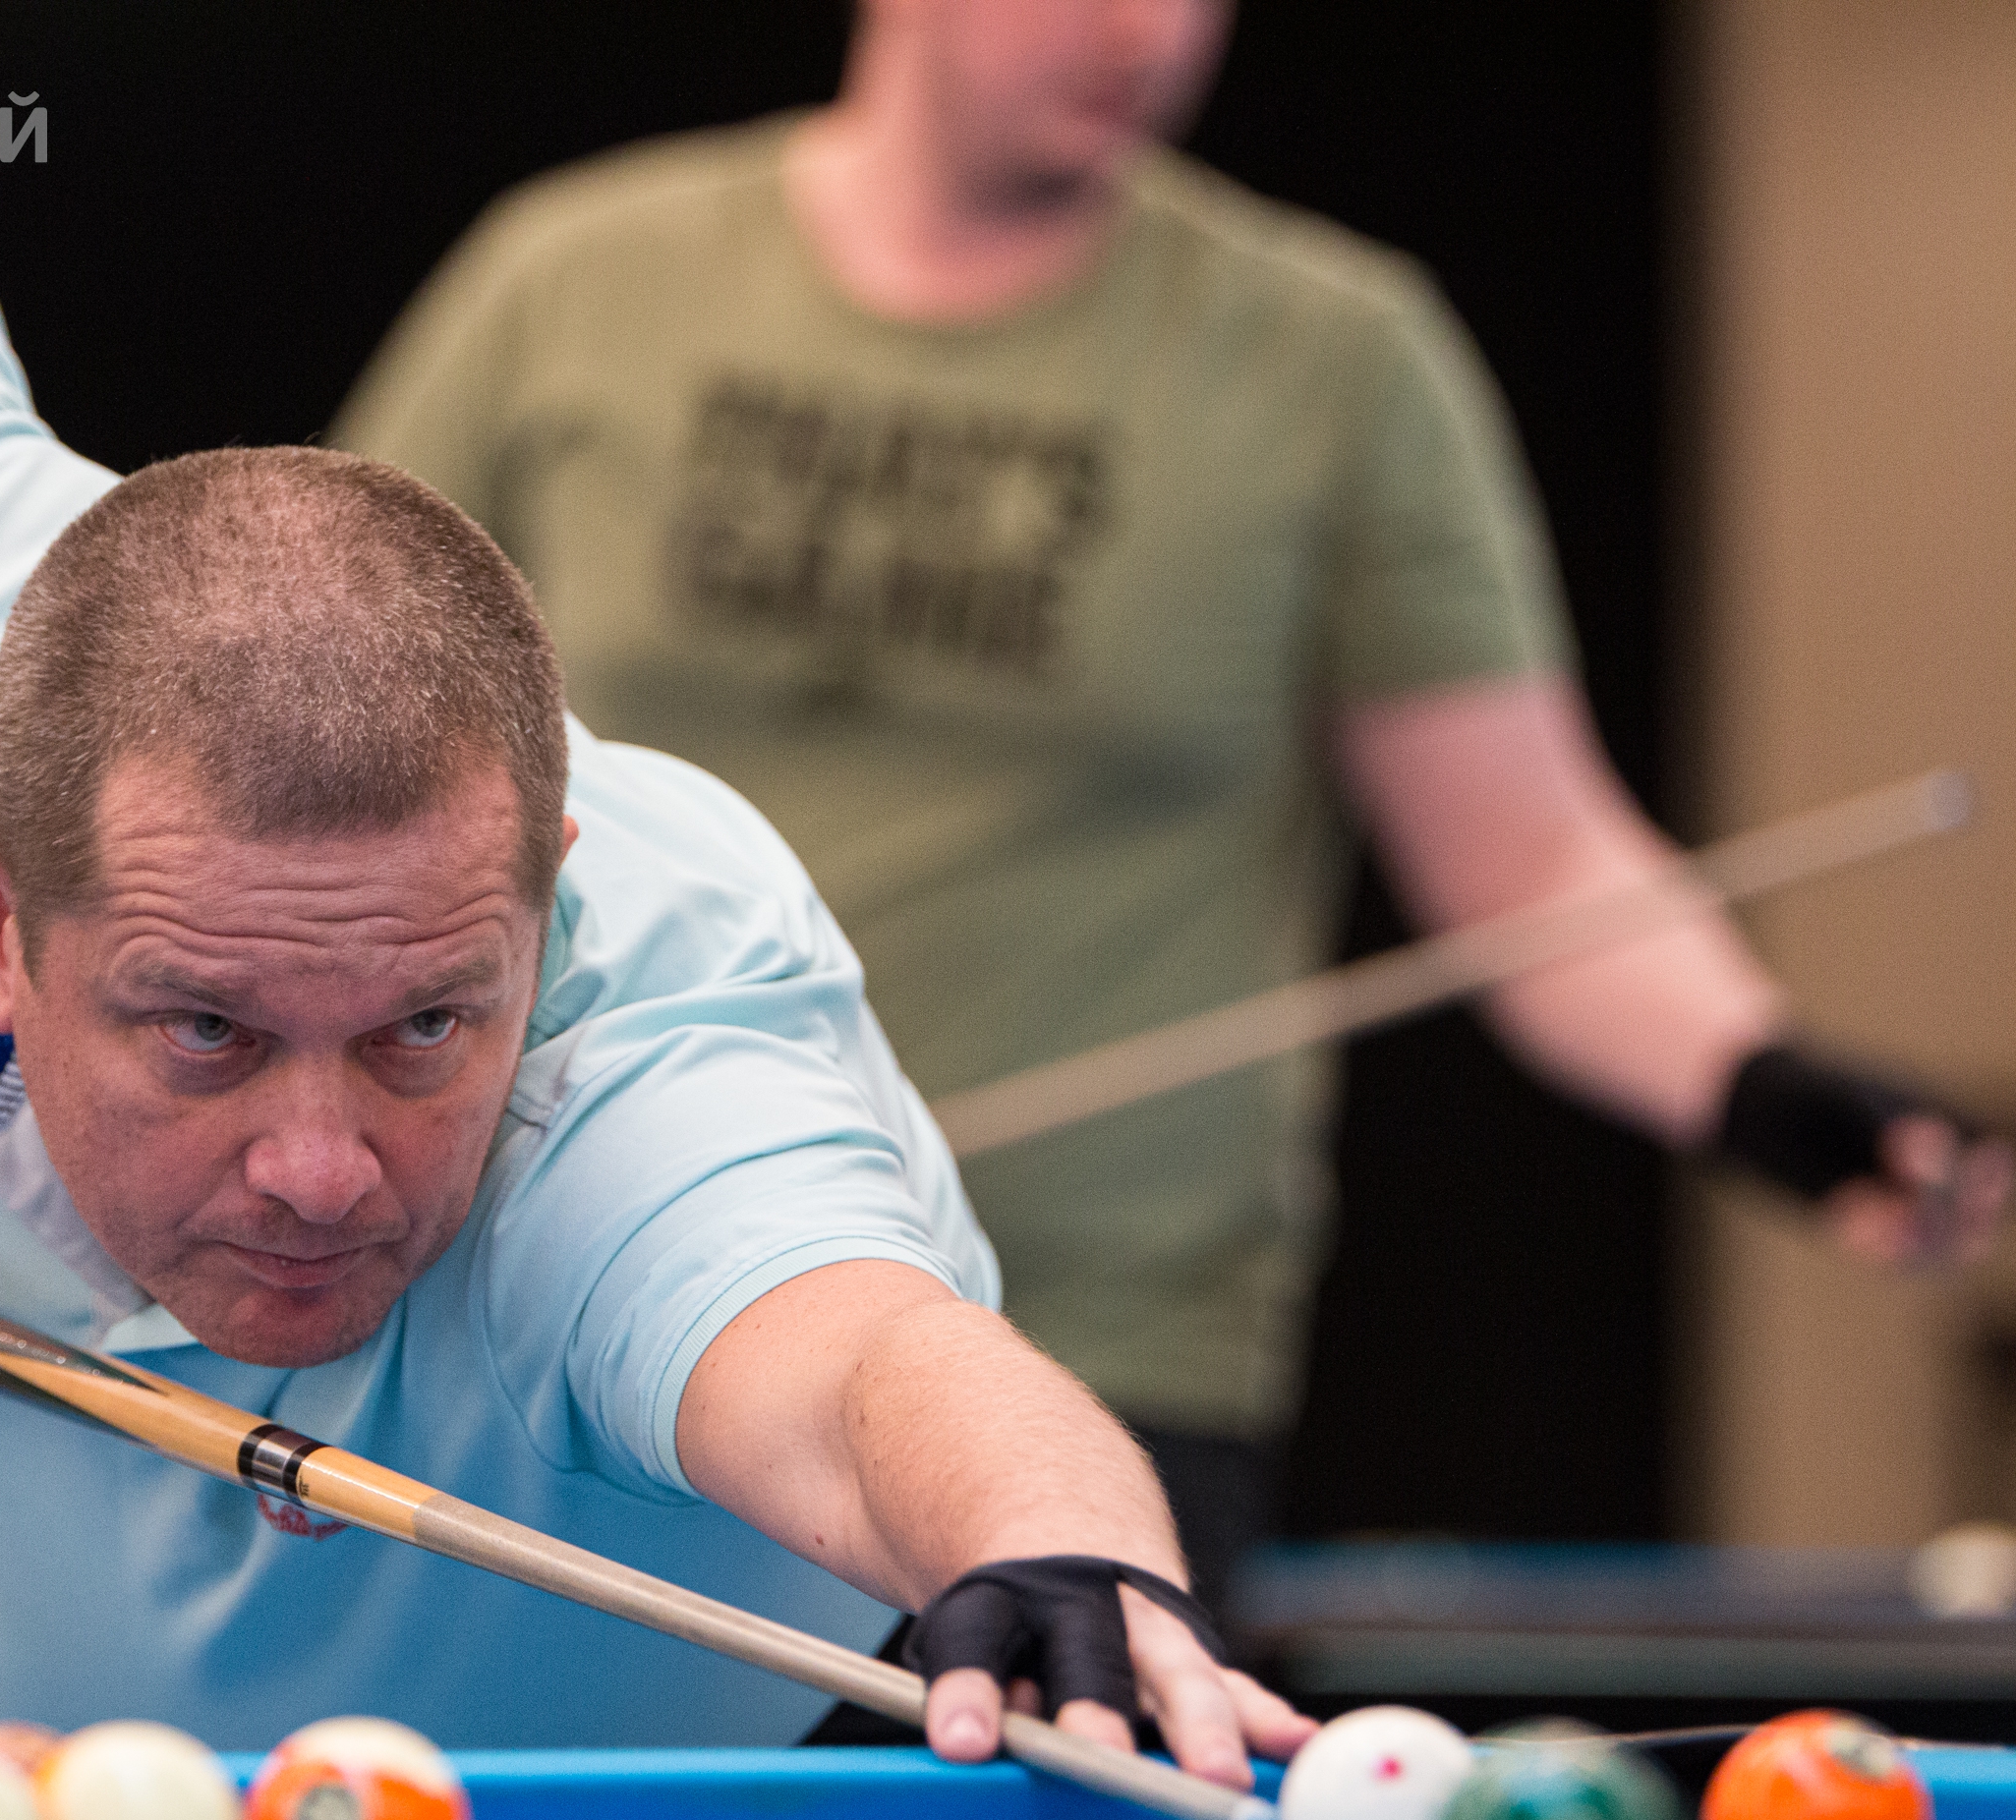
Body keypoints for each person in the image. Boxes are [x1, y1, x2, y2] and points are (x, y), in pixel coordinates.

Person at [0, 34, 1314, 1779]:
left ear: (543, 906)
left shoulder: (646, 1086)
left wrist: (1060, 1544)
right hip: (20, 1639)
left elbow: (866, 1376)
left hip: (671, 1799)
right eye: (206, 1029)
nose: (321, 1170)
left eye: (422, 1029)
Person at [333, 0, 2011, 1611]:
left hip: (1100, 1359)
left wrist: (1760, 1083)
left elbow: (1535, 857)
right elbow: (313, 719)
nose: (1151, 30)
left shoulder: (1332, 358)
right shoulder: (572, 283)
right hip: (596, 1302)